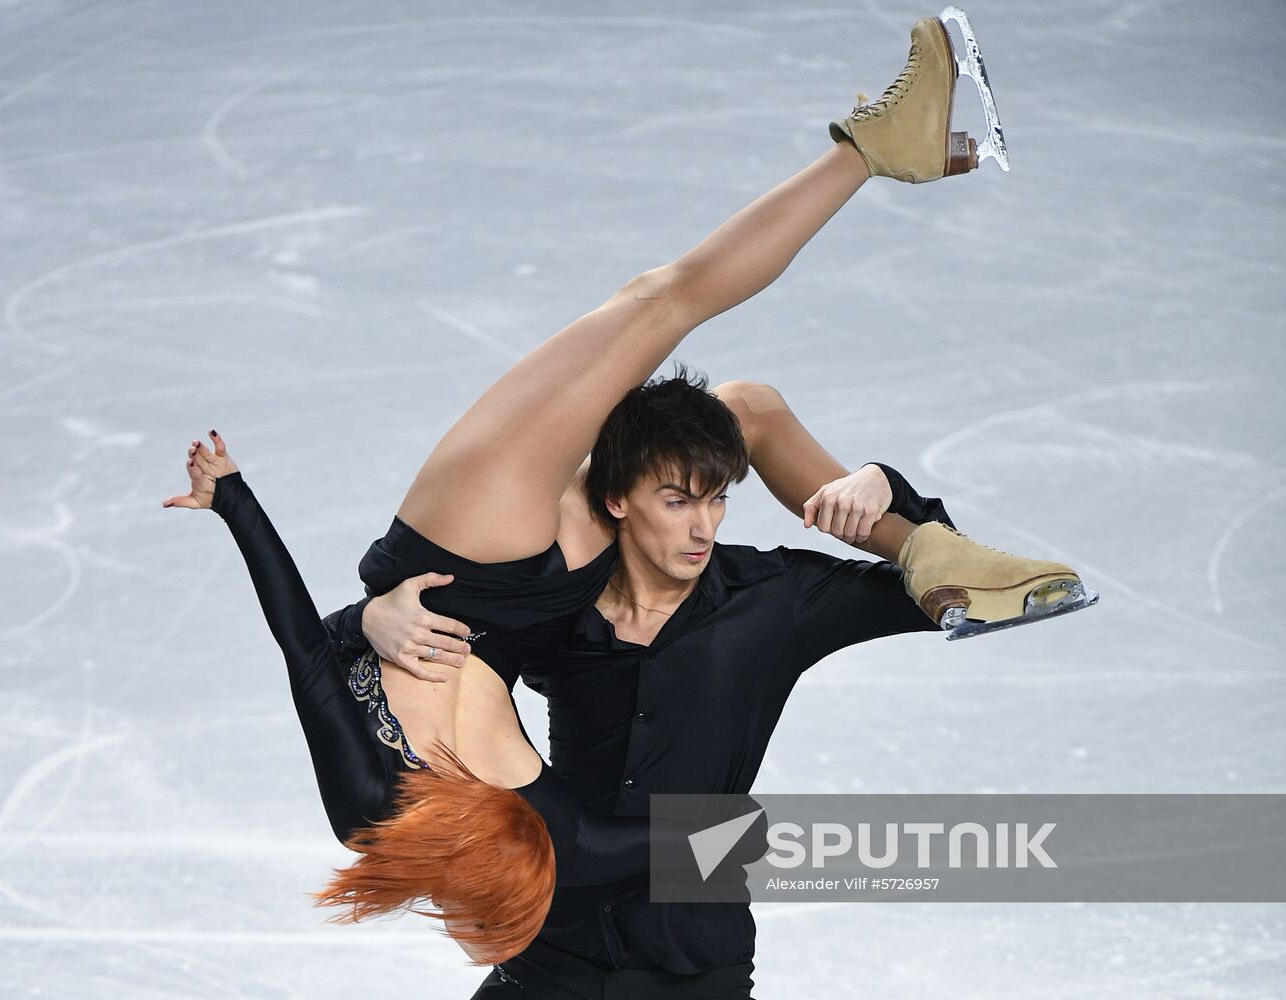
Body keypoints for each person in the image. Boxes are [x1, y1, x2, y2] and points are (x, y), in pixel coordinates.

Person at [165, 8, 1087, 974]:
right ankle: (876, 177)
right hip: (533, 584)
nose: (474, 949)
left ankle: (921, 519)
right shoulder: (545, 838)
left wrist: (332, 586)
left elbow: (306, 650)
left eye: (485, 931)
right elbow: (653, 842)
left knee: (705, 374)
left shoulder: (368, 811)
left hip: (468, 552)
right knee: (675, 326)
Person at [357, 373, 1087, 997]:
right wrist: (373, 615)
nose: (702, 528)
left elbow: (948, 590)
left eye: (716, 500)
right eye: (678, 501)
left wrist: (886, 491)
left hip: (695, 960)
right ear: (617, 499)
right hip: (553, 948)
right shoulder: (556, 607)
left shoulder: (776, 598)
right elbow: (431, 635)